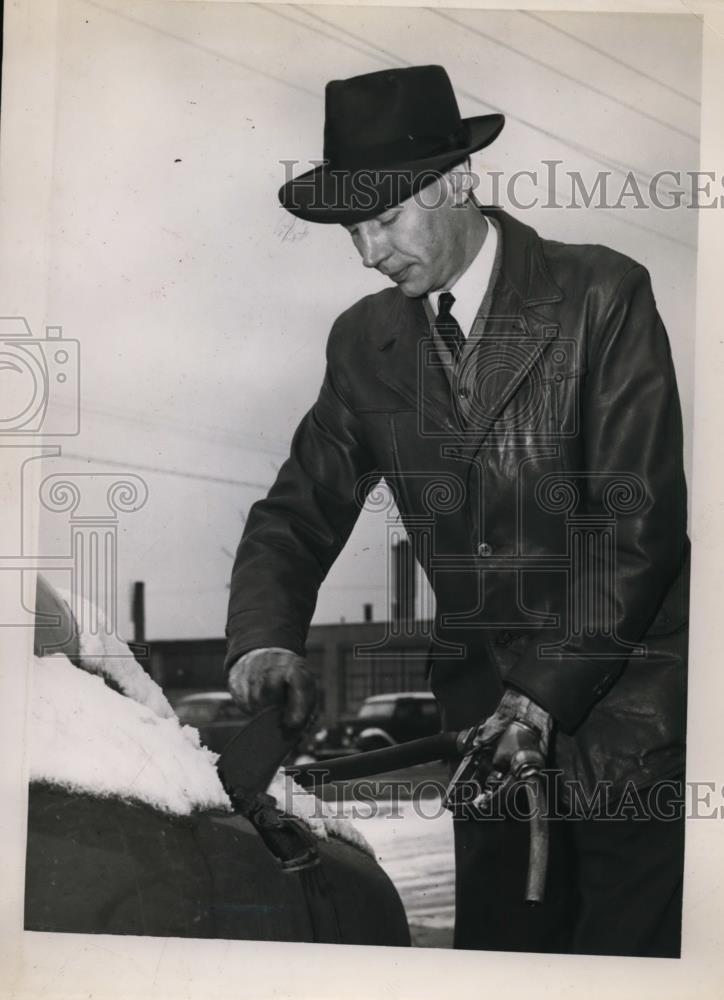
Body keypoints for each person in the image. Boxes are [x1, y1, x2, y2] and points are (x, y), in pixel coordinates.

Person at [225, 65, 689, 956]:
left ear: (454, 183)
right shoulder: (366, 342)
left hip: (626, 731)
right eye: (352, 229)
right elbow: (296, 512)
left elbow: (637, 529)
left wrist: (538, 697)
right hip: (488, 750)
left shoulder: (602, 297)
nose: (368, 252)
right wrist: (264, 637)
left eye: (385, 220)